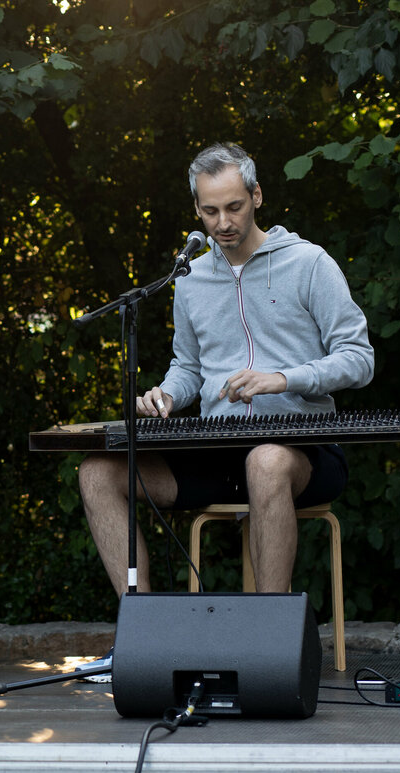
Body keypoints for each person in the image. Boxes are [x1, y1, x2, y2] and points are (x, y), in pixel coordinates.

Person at [78, 142, 375, 637]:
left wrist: (285, 378)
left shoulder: (309, 263)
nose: (223, 222)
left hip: (300, 450)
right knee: (97, 472)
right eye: (210, 210)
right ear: (196, 209)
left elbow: (359, 358)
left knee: (266, 460)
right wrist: (168, 395)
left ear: (257, 196)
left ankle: (268, 639)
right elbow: (189, 367)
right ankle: (142, 634)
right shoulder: (191, 278)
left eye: (234, 206)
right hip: (216, 451)